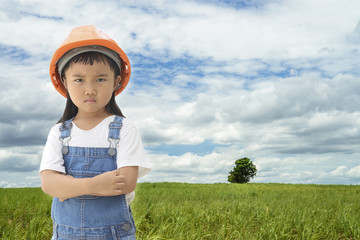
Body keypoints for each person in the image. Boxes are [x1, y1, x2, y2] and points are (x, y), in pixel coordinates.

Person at [39, 25, 151, 240]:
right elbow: (49, 183)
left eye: (100, 79)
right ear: (65, 82)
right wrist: (95, 185)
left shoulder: (124, 128)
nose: (89, 89)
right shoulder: (59, 132)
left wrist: (69, 187)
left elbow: (125, 182)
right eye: (79, 79)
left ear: (116, 82)